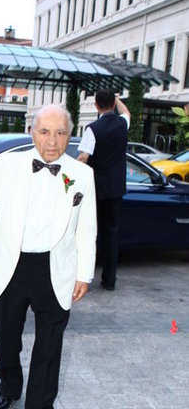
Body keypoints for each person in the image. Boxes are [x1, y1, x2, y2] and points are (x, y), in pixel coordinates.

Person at [0, 104, 97, 409]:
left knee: (49, 349)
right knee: (6, 338)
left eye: (61, 133)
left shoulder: (82, 175)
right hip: (10, 266)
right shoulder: (7, 164)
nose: (52, 141)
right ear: (32, 132)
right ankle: (9, 386)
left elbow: (86, 227)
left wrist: (84, 274)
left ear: (71, 135)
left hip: (56, 269)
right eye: (45, 132)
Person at [77, 89, 130, 291]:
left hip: (96, 189)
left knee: (88, 232)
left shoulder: (92, 129)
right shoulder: (122, 124)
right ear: (113, 104)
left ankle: (83, 276)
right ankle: (109, 281)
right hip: (115, 189)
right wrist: (116, 99)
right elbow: (126, 112)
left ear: (96, 106)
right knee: (111, 234)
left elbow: (83, 158)